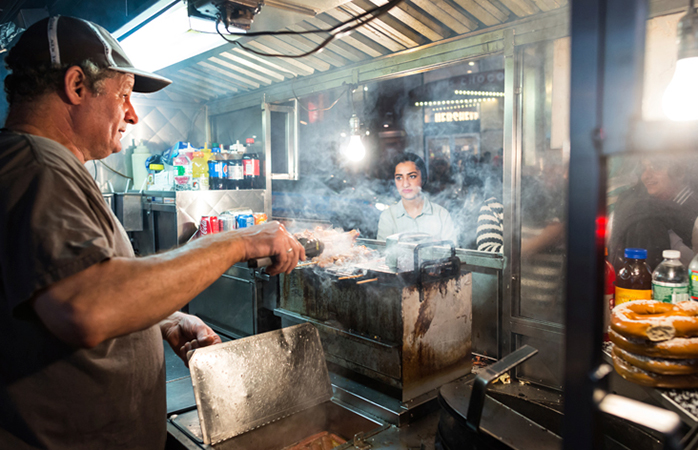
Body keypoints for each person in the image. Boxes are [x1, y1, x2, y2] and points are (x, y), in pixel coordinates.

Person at [0, 16, 305, 450]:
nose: (132, 113)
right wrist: (240, 240)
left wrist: (159, 319)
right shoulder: (38, 166)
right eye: (123, 94)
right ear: (76, 86)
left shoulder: (37, 165)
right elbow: (86, 308)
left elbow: (63, 291)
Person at [609, 157, 698, 271]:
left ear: (679, 172)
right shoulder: (641, 205)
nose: (646, 176)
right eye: (644, 168)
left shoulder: (692, 209)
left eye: (656, 167)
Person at [377, 153, 458, 244]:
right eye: (399, 178)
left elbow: (452, 253)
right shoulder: (388, 216)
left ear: (423, 179)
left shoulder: (441, 215)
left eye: (412, 176)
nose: (405, 184)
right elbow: (383, 254)